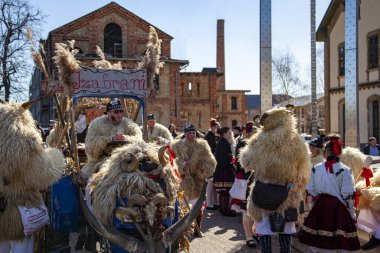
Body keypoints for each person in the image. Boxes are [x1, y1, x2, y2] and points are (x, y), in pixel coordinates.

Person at [239, 107, 311, 253]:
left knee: (264, 229)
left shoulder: (259, 140)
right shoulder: (296, 141)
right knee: (285, 231)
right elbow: (304, 172)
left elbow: (246, 162)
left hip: (263, 192)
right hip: (287, 194)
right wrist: (296, 187)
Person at [299, 134, 360, 252]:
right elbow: (348, 195)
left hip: (320, 206)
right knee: (338, 243)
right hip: (338, 209)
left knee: (318, 242)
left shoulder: (316, 168)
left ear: (326, 152)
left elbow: (310, 189)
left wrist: (314, 205)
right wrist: (351, 213)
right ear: (339, 153)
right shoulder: (346, 170)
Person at [171, 124, 216, 237]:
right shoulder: (176, 146)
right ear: (185, 134)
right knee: (183, 206)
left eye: (193, 133)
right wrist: (181, 166)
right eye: (189, 133)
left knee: (197, 206)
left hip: (198, 180)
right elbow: (171, 161)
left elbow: (211, 161)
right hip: (182, 180)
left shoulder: (202, 146)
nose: (191, 135)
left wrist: (203, 168)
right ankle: (182, 231)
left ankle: (197, 228)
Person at [81, 99, 142, 178]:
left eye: (121, 111)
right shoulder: (96, 124)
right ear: (109, 113)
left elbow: (139, 140)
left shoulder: (128, 124)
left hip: (126, 160)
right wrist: (109, 139)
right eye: (116, 112)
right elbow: (90, 148)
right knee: (86, 178)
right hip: (100, 160)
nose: (119, 115)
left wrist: (126, 138)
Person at [233, 123, 258, 248]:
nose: (255, 133)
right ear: (248, 132)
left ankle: (253, 233)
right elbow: (239, 164)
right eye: (254, 131)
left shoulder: (259, 144)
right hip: (246, 179)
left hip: (257, 180)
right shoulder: (242, 144)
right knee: (246, 209)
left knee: (255, 208)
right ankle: (248, 236)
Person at [213, 127, 236, 216]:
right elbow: (224, 158)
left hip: (222, 168)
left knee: (223, 192)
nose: (230, 135)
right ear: (225, 134)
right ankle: (225, 210)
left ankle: (222, 208)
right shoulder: (224, 143)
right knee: (226, 191)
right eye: (229, 133)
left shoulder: (222, 141)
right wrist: (230, 161)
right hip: (224, 169)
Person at [204, 119, 220, 210]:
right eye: (217, 127)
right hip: (209, 162)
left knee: (213, 183)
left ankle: (214, 202)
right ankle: (209, 203)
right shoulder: (209, 136)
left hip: (213, 162)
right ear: (213, 127)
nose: (218, 129)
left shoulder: (214, 136)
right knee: (210, 182)